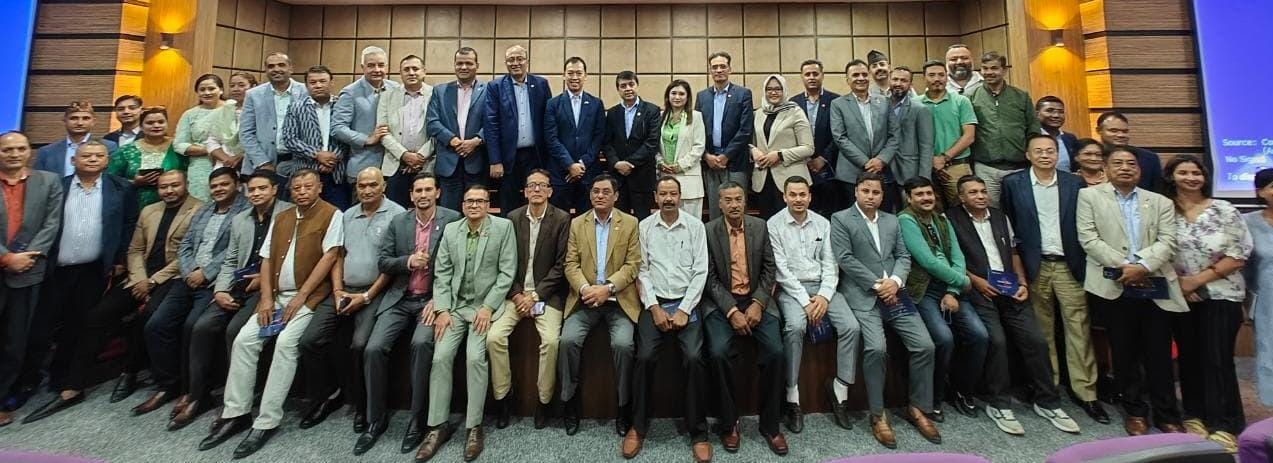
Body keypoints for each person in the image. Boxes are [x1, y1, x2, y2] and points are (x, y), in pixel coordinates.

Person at [198, 170, 342, 459]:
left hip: (308, 297)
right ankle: (236, 413)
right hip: (275, 297)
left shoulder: (332, 214)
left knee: (286, 344)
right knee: (243, 341)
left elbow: (330, 256)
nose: (302, 191)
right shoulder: (282, 217)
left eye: (308, 186)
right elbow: (265, 260)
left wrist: (301, 296)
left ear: (319, 188)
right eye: (297, 187)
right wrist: (265, 298)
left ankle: (266, 421)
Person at [946, 175, 1081, 436]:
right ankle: (999, 403)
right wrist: (976, 281)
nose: (980, 196)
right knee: (996, 341)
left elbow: (1015, 253)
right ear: (961, 197)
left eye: (983, 191)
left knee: (1037, 340)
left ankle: (1048, 402)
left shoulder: (1000, 216)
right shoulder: (951, 219)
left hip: (1011, 289)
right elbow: (953, 259)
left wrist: (1022, 282)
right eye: (973, 192)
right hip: (979, 290)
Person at [18, 142, 136, 424]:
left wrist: (119, 258)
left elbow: (128, 225)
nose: (93, 159)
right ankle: (27, 381)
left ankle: (61, 377)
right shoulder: (57, 186)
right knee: (40, 327)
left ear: (107, 160)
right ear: (74, 160)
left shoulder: (122, 188)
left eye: (99, 156)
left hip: (93, 270)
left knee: (77, 325)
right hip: (54, 269)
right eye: (86, 155)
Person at [1076, 145, 1187, 436]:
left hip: (1153, 283)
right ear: (1106, 168)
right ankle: (1135, 411)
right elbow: (1088, 238)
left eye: (1131, 164)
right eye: (1118, 163)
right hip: (1114, 283)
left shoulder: (1160, 201)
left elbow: (1169, 241)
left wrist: (1143, 265)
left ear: (1139, 169)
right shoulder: (1088, 196)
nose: (1125, 168)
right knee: (1124, 352)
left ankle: (1167, 414)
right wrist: (1125, 267)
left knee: (1159, 353)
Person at [1000, 133, 1109, 424]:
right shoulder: (1013, 183)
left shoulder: (1075, 183)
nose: (1045, 155)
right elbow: (1009, 227)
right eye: (1038, 151)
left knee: (1079, 330)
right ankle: (1049, 388)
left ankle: (1086, 393)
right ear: (1028, 155)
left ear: (1057, 154)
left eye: (1050, 150)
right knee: (1042, 333)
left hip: (1069, 264)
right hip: (1034, 266)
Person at [829, 172, 939, 449]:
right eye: (865, 191)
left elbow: (903, 256)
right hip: (864, 294)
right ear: (856, 191)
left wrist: (896, 281)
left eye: (876, 192)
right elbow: (845, 259)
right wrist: (878, 285)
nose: (870, 196)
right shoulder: (841, 219)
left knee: (925, 345)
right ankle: (878, 415)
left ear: (882, 195)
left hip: (896, 293)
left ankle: (918, 408)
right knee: (876, 349)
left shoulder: (892, 220)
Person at [300, 167, 403, 449]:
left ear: (384, 186)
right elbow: (338, 256)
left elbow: (391, 266)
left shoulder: (397, 215)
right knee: (309, 340)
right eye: (362, 185)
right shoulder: (346, 215)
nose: (366, 190)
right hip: (342, 290)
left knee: (360, 345)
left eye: (372, 185)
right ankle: (327, 397)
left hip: (375, 291)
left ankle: (363, 405)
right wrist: (337, 291)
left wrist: (367, 296)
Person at [180, 170, 291, 430]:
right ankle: (198, 396)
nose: (256, 194)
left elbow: (292, 257)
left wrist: (264, 279)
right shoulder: (241, 219)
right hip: (237, 286)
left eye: (262, 188)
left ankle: (239, 402)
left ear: (274, 189)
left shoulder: (288, 214)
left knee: (235, 331)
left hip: (269, 286)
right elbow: (231, 260)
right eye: (252, 190)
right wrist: (220, 290)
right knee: (201, 327)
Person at [414, 185, 515, 462]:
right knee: (440, 357)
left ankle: (474, 427)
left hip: (485, 308)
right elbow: (442, 273)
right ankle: (437, 426)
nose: (474, 205)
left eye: (480, 201)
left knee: (474, 358)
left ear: (488, 204)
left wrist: (488, 307)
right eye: (470, 201)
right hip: (456, 308)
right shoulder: (451, 230)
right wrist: (443, 309)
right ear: (462, 205)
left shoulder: (503, 228)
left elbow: (507, 273)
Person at [364, 173, 460, 456]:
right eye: (418, 190)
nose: (423, 195)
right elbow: (383, 262)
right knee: (373, 348)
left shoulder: (452, 220)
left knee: (421, 344)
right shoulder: (399, 222)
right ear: (411, 195)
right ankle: (375, 419)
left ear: (438, 193)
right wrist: (407, 261)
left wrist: (440, 300)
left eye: (428, 189)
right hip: (399, 298)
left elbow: (459, 266)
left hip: (431, 300)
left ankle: (418, 419)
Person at [1164, 156, 1252, 450]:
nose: (1191, 177)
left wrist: (1196, 281)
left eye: (1196, 172)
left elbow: (1238, 255)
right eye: (1183, 172)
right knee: (1189, 358)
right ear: (1171, 176)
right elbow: (1158, 251)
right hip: (1180, 294)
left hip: (1221, 294)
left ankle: (1225, 423)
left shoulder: (1224, 209)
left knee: (1217, 359)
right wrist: (1181, 285)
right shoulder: (1164, 210)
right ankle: (1195, 415)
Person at [626, 176, 711, 462]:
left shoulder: (695, 226)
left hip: (688, 303)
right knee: (644, 357)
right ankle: (638, 427)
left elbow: (701, 271)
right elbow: (642, 271)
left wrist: (685, 309)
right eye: (663, 194)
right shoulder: (644, 227)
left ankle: (698, 432)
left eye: (673, 193)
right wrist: (654, 307)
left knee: (694, 358)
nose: (668, 199)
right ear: (655, 197)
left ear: (680, 196)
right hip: (655, 303)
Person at [156, 167, 247, 426]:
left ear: (236, 185)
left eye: (224, 184)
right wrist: (189, 272)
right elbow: (185, 244)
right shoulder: (204, 210)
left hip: (214, 281)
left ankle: (196, 392)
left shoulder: (245, 211)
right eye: (214, 185)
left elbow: (233, 251)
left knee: (192, 327)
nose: (218, 189)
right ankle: (171, 385)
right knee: (156, 324)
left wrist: (205, 274)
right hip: (188, 278)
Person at [768, 177, 859, 433]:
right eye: (793, 194)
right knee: (794, 328)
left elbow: (831, 264)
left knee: (851, 327)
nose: (798, 199)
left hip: (822, 288)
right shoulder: (773, 224)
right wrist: (804, 301)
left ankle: (840, 390)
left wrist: (823, 296)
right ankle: (792, 396)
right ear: (785, 197)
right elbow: (781, 270)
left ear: (810, 197)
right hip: (791, 289)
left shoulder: (823, 223)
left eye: (802, 194)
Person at [703, 181, 786, 456]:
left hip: (756, 300)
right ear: (719, 203)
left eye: (738, 199)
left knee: (776, 352)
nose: (734, 204)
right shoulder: (709, 231)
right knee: (717, 352)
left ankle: (770, 425)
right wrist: (731, 310)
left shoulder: (759, 227)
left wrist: (758, 303)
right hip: (722, 302)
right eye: (728, 200)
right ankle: (729, 424)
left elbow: (770, 269)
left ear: (745, 201)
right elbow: (709, 278)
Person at [897, 176, 987, 421]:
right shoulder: (905, 220)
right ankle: (935, 397)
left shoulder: (942, 219)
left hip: (950, 288)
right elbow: (927, 262)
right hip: (924, 290)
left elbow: (957, 257)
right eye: (919, 194)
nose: (926, 198)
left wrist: (953, 290)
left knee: (980, 335)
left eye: (929, 193)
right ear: (909, 198)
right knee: (944, 338)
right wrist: (964, 281)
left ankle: (962, 390)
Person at [487, 169, 570, 430]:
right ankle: (503, 397)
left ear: (550, 191)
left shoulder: (562, 219)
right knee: (493, 338)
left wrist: (535, 295)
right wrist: (517, 294)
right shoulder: (512, 219)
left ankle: (543, 401)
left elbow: (561, 266)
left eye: (541, 185)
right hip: (515, 295)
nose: (536, 189)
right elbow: (503, 263)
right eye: (531, 185)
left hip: (546, 296)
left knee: (551, 342)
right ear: (524, 191)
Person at [557, 174, 640, 436]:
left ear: (616, 196)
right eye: (595, 191)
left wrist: (608, 288)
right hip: (585, 300)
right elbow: (570, 264)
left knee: (624, 345)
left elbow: (633, 265)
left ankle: (624, 405)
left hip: (618, 300)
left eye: (605, 191)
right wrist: (585, 289)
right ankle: (569, 401)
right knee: (567, 341)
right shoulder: (577, 223)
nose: (599, 195)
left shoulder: (630, 223)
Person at [120, 170, 203, 416]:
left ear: (186, 184)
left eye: (175, 185)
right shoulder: (149, 210)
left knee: (150, 319)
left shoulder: (199, 209)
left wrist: (153, 281)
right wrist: (140, 279)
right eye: (163, 186)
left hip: (172, 276)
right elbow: (135, 249)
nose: (169, 190)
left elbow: (188, 254)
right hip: (140, 276)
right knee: (99, 314)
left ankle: (145, 376)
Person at [0, 132, 63, 427]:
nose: (14, 154)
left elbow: (52, 223)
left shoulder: (49, 181)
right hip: (5, 263)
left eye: (20, 148)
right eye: (7, 149)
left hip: (28, 270)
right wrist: (6, 257)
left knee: (15, 340)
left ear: (29, 152)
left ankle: (2, 397)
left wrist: (25, 258)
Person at [485, 44, 552, 215]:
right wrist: (495, 160)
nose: (515, 63)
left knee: (535, 200)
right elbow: (491, 125)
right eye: (511, 60)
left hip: (536, 155)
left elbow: (549, 120)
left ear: (527, 61)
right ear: (506, 63)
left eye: (519, 59)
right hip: (508, 157)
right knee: (509, 204)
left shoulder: (541, 84)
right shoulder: (495, 86)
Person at [967, 52, 1038, 207]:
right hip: (986, 167)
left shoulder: (1021, 96)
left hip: (1018, 166)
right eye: (985, 68)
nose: (989, 72)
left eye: (994, 68)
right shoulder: (970, 97)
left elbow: (1033, 128)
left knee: (1021, 208)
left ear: (1004, 70)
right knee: (990, 209)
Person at [832, 59, 901, 212]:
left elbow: (894, 135)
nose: (861, 78)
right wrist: (866, 163)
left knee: (884, 216)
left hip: (882, 171)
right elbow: (840, 137)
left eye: (864, 74)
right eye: (855, 75)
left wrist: (881, 160)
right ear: (847, 79)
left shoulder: (884, 102)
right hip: (851, 174)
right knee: (854, 218)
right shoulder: (838, 104)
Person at [426, 47, 489, 212]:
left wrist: (476, 141)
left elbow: (494, 121)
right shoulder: (440, 91)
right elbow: (432, 122)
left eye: (468, 63)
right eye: (459, 63)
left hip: (477, 161)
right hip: (448, 161)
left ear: (477, 66)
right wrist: (453, 140)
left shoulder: (488, 90)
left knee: (476, 211)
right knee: (448, 214)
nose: (463, 67)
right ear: (454, 65)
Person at [282, 65, 351, 210]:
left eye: (322, 81)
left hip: (336, 174)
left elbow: (349, 136)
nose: (318, 85)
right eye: (313, 82)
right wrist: (317, 154)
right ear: (306, 85)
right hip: (305, 173)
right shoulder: (296, 108)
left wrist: (332, 159)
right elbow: (290, 139)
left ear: (331, 82)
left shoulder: (342, 105)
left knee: (337, 215)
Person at [334, 46, 402, 192]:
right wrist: (367, 139)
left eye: (381, 65)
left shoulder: (396, 88)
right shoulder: (350, 93)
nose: (377, 70)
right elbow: (337, 128)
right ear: (362, 67)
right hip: (363, 167)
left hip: (393, 166)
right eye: (371, 65)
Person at [696, 51, 754, 220]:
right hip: (710, 163)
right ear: (710, 70)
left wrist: (726, 156)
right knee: (715, 212)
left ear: (730, 69)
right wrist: (706, 156)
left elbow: (745, 130)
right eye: (715, 67)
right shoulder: (702, 96)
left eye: (723, 66)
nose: (719, 70)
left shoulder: (743, 94)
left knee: (736, 210)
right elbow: (697, 130)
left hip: (736, 162)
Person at [544, 57, 605, 213]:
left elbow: (599, 137)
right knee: (559, 219)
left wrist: (582, 164)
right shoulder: (553, 104)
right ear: (564, 75)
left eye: (579, 73)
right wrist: (570, 165)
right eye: (570, 73)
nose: (575, 77)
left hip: (588, 173)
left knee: (586, 220)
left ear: (585, 76)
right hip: (560, 173)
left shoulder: (596, 104)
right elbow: (551, 138)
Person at [750, 74, 813, 219]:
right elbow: (751, 142)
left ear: (784, 90)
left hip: (791, 179)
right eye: (769, 89)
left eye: (778, 89)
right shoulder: (758, 113)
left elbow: (808, 147)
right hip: (763, 179)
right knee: (766, 222)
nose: (773, 92)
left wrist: (780, 155)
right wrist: (752, 150)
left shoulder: (795, 112)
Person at [378, 55, 435, 207]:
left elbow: (438, 131)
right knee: (396, 212)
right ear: (400, 73)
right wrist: (405, 155)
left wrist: (420, 156)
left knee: (427, 210)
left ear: (424, 71)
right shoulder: (387, 96)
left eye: (415, 69)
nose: (411, 73)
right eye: (406, 69)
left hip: (426, 164)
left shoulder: (436, 94)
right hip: (395, 164)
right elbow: (382, 132)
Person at [919, 60, 978, 206]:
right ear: (924, 77)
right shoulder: (915, 103)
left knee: (964, 208)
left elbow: (969, 136)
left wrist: (944, 158)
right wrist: (932, 160)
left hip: (957, 166)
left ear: (947, 77)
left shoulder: (961, 101)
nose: (937, 79)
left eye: (941, 75)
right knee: (931, 211)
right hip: (925, 167)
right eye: (931, 75)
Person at [239, 52, 307, 178]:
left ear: (291, 68)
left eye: (281, 65)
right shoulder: (253, 95)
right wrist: (263, 162)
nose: (276, 69)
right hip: (262, 163)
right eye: (271, 66)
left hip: (300, 163)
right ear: (266, 70)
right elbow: (246, 133)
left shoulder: (306, 91)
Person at [603, 71, 661, 219]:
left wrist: (629, 163)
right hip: (618, 178)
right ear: (618, 89)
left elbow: (652, 142)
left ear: (637, 86)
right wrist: (616, 163)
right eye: (623, 86)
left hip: (642, 176)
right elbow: (607, 143)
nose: (628, 88)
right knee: (619, 221)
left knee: (643, 220)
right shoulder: (612, 113)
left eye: (631, 84)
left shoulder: (652, 110)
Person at [789, 59, 842, 216]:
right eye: (807, 74)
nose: (811, 77)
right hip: (801, 165)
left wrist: (823, 158)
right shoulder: (793, 103)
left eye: (815, 74)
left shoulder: (836, 101)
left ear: (822, 75)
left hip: (829, 167)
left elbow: (839, 134)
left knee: (829, 211)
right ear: (802, 77)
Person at [107, 107, 186, 209]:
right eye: (150, 123)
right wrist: (134, 182)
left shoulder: (179, 147)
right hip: (135, 206)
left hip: (177, 204)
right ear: (141, 126)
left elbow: (190, 174)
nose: (156, 126)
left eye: (161, 122)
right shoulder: (126, 150)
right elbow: (110, 180)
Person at [656, 80, 706, 219]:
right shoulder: (660, 117)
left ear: (687, 97)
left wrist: (680, 165)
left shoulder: (696, 116)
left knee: (691, 224)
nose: (677, 97)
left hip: (689, 178)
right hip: (665, 177)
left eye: (681, 94)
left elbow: (699, 146)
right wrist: (660, 162)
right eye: (673, 93)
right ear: (668, 96)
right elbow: (654, 145)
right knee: (667, 221)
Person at [173, 74, 226, 201]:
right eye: (202, 89)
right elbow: (179, 144)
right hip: (200, 166)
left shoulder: (233, 110)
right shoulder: (190, 114)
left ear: (221, 90)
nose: (207, 92)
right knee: (199, 204)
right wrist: (210, 150)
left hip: (229, 162)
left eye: (211, 88)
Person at [1245, 168, 1273, 408]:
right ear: (1260, 191)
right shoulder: (1248, 223)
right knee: (1269, 353)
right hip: (1266, 300)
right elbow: (1242, 266)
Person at [35, 101, 116, 176]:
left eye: (85, 118)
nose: (79, 123)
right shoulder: (47, 151)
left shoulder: (108, 147)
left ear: (93, 122)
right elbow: (39, 181)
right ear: (65, 121)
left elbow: (113, 177)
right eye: (74, 118)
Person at [1094, 111, 1164, 193]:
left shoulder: (1148, 158)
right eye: (1113, 131)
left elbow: (1158, 191)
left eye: (1125, 131)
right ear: (1099, 131)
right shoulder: (1089, 157)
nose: (1121, 135)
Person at [889, 67, 934, 188]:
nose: (898, 83)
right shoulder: (880, 105)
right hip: (884, 169)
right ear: (889, 81)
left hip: (909, 171)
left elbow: (926, 146)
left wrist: (924, 179)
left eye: (903, 80)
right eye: (895, 79)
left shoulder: (920, 109)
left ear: (910, 84)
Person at [204, 72, 258, 172]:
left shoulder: (261, 110)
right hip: (224, 163)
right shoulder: (224, 110)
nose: (235, 89)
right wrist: (227, 158)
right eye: (232, 86)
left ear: (253, 87)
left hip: (253, 162)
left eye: (241, 85)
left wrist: (242, 156)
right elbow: (212, 140)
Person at [1035, 96, 1078, 173]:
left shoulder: (1070, 139)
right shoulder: (1030, 137)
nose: (1056, 115)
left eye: (1061, 112)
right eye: (1050, 111)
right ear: (1037, 114)